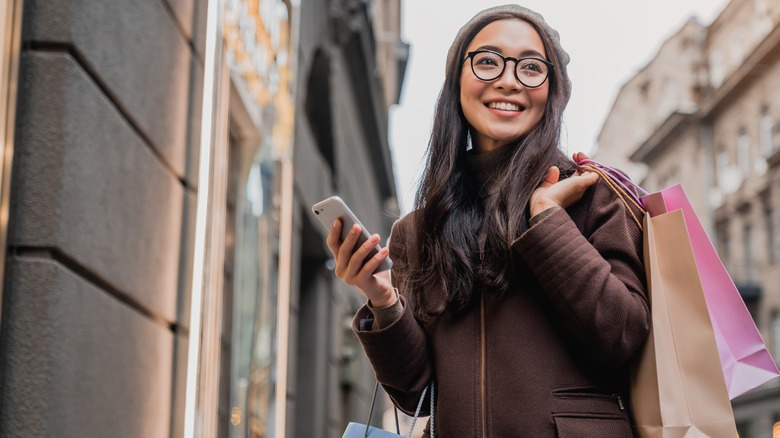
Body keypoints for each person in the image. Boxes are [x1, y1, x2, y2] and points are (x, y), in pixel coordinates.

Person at [326, 4, 649, 437]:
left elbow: (623, 336)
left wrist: (549, 220)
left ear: (552, 91)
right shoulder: (418, 231)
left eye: (531, 67)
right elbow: (413, 391)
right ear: (457, 80)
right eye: (488, 62)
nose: (509, 80)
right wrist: (384, 301)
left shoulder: (592, 195)